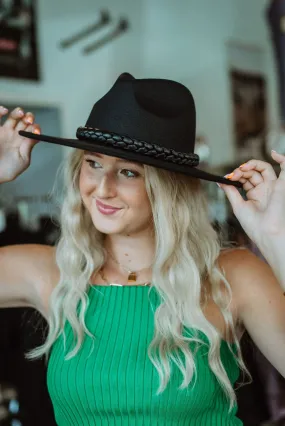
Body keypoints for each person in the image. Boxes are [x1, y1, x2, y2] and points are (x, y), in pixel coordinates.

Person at [0, 73, 285, 426]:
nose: (102, 188)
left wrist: (275, 238)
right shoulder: (54, 274)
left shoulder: (232, 276)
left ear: (168, 189)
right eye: (93, 163)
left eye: (129, 173)